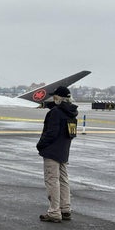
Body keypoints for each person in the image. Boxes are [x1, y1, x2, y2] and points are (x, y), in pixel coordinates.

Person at [36, 86, 78, 223]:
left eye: (55, 97)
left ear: (59, 98)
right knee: (63, 180)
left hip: (52, 152)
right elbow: (71, 134)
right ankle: (65, 209)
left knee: (52, 181)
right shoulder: (72, 113)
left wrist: (40, 145)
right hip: (64, 151)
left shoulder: (55, 113)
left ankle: (54, 211)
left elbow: (50, 133)